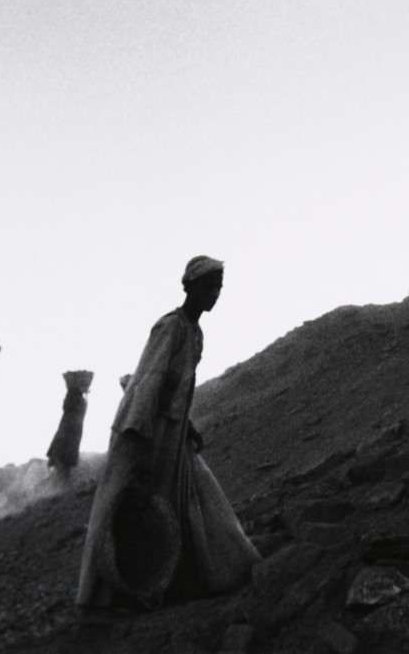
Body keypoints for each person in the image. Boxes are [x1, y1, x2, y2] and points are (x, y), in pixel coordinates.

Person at [77, 256, 260, 613]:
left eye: (218, 286)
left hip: (172, 432)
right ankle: (104, 598)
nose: (214, 293)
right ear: (189, 286)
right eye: (208, 285)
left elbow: (180, 388)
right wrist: (141, 441)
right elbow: (148, 382)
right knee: (123, 509)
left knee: (185, 499)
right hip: (143, 430)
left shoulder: (195, 332)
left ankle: (191, 578)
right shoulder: (171, 327)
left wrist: (186, 425)